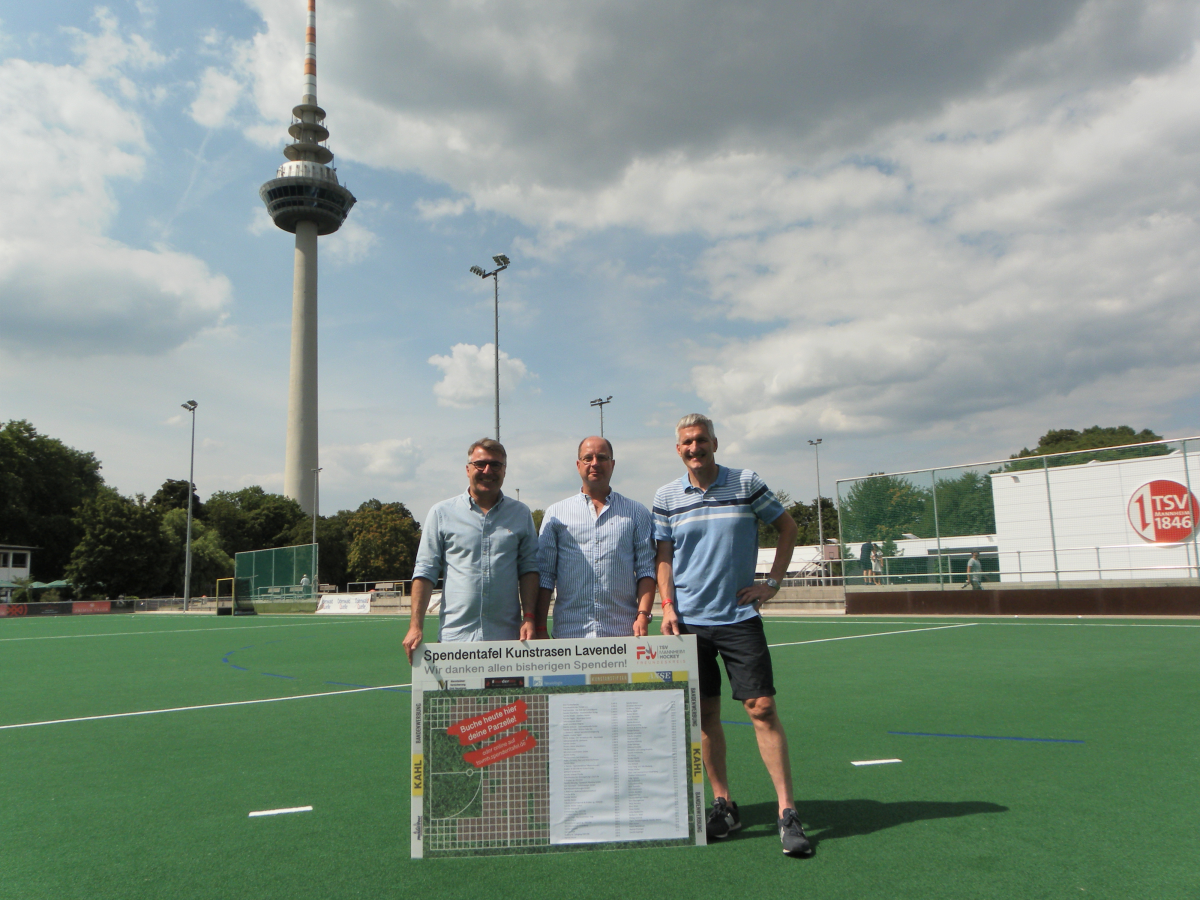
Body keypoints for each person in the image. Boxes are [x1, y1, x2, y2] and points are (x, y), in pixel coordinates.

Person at [653, 413, 812, 858]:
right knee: (706, 718)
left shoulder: (745, 483)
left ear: (715, 443)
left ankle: (787, 812)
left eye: (701, 440)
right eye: (686, 442)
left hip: (739, 618)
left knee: (762, 708)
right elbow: (663, 557)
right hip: (689, 622)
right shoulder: (666, 497)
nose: (694, 448)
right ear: (678, 448)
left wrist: (773, 583)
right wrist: (668, 607)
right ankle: (724, 804)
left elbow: (788, 527)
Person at [402, 438, 540, 663]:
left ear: (504, 471)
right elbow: (425, 572)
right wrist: (415, 626)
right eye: (480, 464)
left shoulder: (521, 514)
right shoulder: (441, 513)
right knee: (457, 700)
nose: (488, 470)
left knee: (508, 700)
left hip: (507, 641)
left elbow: (529, 569)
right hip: (455, 640)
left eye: (496, 465)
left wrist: (530, 618)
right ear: (468, 469)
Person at [536, 436, 656, 638]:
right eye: (587, 458)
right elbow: (545, 574)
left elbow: (646, 570)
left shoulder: (637, 512)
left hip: (622, 633)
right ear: (578, 464)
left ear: (612, 464)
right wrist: (540, 626)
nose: (595, 464)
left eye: (602, 457)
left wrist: (643, 615)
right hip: (569, 634)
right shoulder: (556, 513)